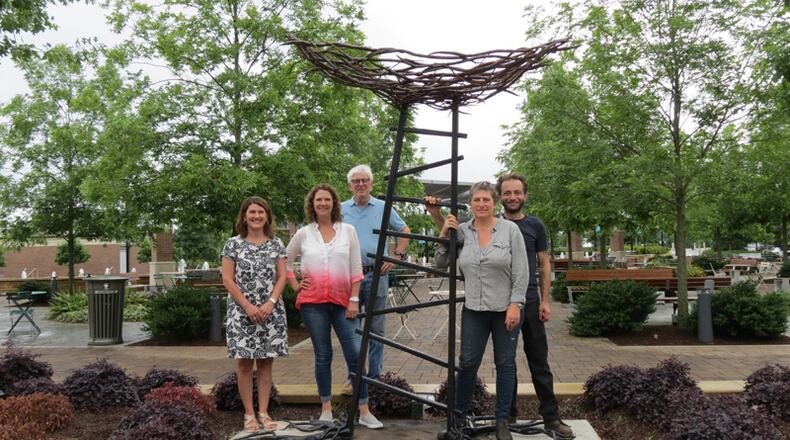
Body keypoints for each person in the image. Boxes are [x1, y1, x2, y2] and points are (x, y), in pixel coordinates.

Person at [429, 181, 528, 440]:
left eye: (486, 200)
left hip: (506, 309)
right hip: (474, 309)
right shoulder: (462, 231)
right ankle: (459, 420)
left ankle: (502, 421)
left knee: (505, 364)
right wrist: (444, 231)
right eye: (477, 200)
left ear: (494, 202)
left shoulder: (510, 230)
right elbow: (440, 263)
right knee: (468, 363)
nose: (481, 204)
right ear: (470, 204)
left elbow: (521, 270)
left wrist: (515, 304)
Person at [286, 184, 384, 429]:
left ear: (334, 203)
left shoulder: (347, 231)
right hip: (313, 304)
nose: (322, 204)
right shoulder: (304, 233)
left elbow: (355, 268)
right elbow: (283, 260)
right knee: (323, 355)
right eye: (318, 200)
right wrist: (295, 284)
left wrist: (353, 299)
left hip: (343, 303)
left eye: (327, 200)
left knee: (354, 354)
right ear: (312, 204)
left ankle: (363, 409)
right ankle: (326, 409)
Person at [497, 173, 574, 438]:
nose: (512, 197)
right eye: (507, 193)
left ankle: (551, 418)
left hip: (530, 302)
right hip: (502, 304)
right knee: (506, 363)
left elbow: (544, 263)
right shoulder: (492, 225)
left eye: (517, 192)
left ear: (525, 195)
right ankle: (507, 416)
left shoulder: (535, 226)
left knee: (539, 362)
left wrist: (545, 300)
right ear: (500, 196)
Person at [221, 196, 288, 433]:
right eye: (252, 212)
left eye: (261, 212)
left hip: (271, 311)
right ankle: (249, 414)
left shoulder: (277, 244)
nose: (257, 216)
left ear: (267, 216)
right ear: (244, 216)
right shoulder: (233, 244)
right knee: (244, 364)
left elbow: (282, 277)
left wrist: (270, 302)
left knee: (266, 362)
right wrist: (248, 306)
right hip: (241, 312)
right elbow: (227, 279)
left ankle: (264, 411)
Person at [341, 164, 410, 384]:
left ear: (371, 184)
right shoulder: (340, 210)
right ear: (350, 186)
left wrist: (396, 256)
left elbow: (404, 230)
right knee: (351, 329)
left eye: (364, 181)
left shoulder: (383, 207)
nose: (360, 184)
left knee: (376, 329)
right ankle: (355, 377)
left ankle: (375, 377)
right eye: (356, 181)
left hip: (376, 275)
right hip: (348, 277)